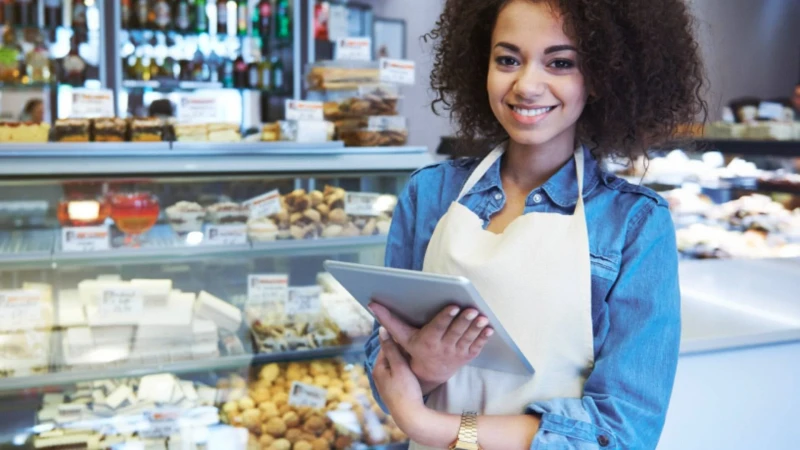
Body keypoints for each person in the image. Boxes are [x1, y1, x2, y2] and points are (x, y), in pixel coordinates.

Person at [363, 1, 707, 449]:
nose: (526, 85)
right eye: (507, 60)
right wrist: (427, 368)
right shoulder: (430, 195)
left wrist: (431, 426)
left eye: (560, 63)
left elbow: (624, 431)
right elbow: (384, 370)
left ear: (603, 77)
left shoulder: (634, 223)